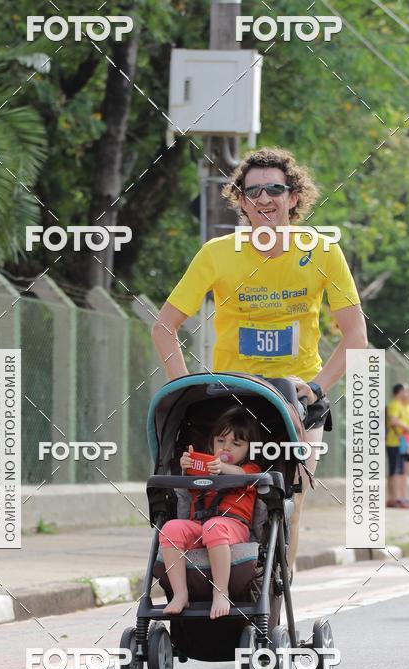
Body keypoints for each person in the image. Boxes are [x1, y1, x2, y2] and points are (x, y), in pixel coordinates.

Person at [152, 147, 367, 570]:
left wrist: (318, 387)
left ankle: (275, 598)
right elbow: (163, 327)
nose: (264, 199)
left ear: (292, 197)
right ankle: (215, 583)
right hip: (231, 397)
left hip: (296, 400)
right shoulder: (217, 253)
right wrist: (184, 391)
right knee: (211, 493)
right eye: (253, 191)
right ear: (240, 199)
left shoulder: (323, 252)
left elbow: (356, 337)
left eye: (274, 189)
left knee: (289, 503)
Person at [159, 406, 262, 620]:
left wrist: (222, 469)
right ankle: (180, 593)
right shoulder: (204, 466)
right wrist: (186, 467)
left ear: (249, 449)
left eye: (236, 444)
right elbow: (186, 487)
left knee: (214, 526)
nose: (227, 448)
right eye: (221, 441)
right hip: (199, 525)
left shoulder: (251, 469)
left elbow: (241, 473)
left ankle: (220, 591)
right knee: (170, 529)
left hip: (233, 527)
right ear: (212, 442)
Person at [385, 383, 409, 509]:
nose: (407, 393)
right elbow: (394, 421)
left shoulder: (400, 405)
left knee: (398, 470)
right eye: (405, 391)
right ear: (400, 392)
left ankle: (395, 498)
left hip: (400, 441)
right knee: (394, 471)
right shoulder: (395, 405)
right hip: (393, 441)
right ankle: (394, 499)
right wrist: (405, 427)